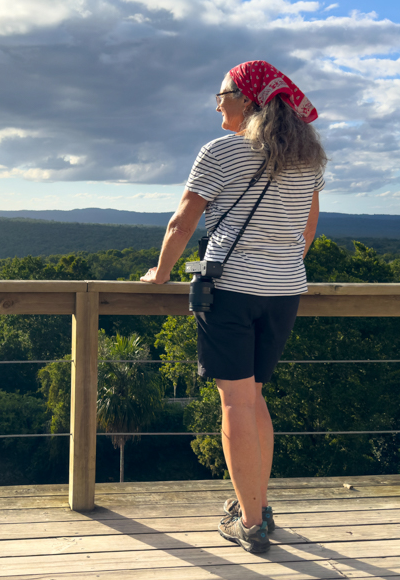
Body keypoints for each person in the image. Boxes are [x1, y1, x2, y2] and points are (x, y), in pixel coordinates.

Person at [140, 61, 326, 554]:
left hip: (231, 290)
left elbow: (183, 222)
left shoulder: (221, 151)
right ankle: (259, 504)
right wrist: (280, 265)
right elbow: (307, 230)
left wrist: (159, 275)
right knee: (255, 397)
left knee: (236, 403)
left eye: (222, 93)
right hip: (284, 291)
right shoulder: (308, 158)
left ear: (247, 100)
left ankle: (249, 522)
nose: (216, 102)